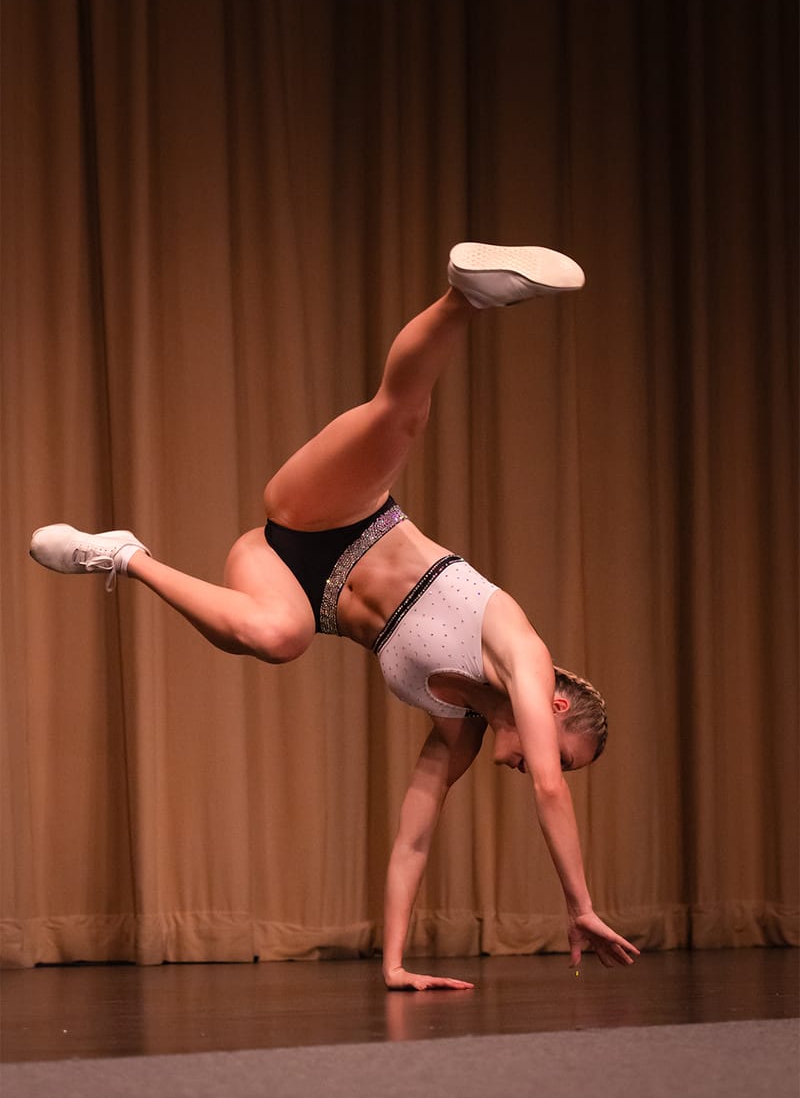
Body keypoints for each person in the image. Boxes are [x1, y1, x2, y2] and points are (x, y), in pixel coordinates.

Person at [30, 242, 640, 990]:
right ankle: (466, 298)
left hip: (285, 582)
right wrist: (579, 904)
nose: (537, 768)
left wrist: (393, 966)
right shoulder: (522, 652)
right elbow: (550, 788)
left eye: (555, 762)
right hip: (342, 517)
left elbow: (414, 841)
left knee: (281, 638)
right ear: (552, 708)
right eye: (563, 753)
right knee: (401, 416)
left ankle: (123, 556)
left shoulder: (460, 730)